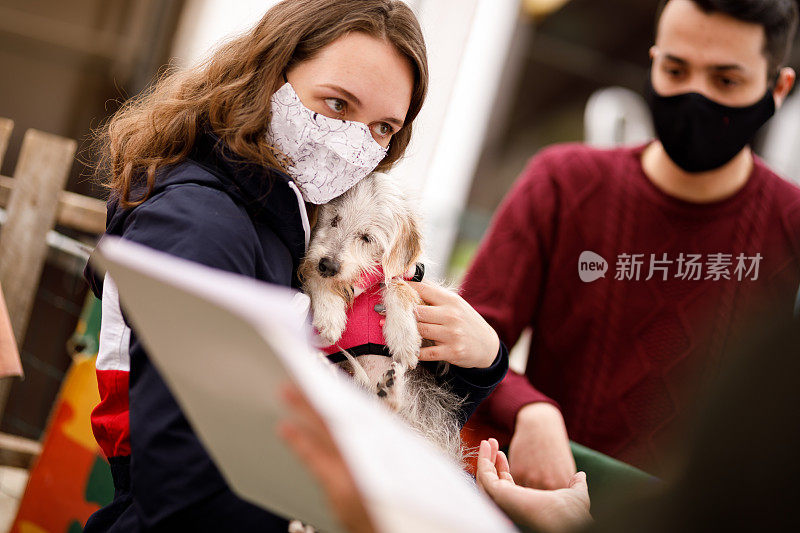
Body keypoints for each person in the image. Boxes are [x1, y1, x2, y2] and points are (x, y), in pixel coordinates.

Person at [82, 1, 505, 530]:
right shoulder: (203, 225)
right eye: (336, 103)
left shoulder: (293, 219)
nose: (353, 142)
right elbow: (186, 478)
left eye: (381, 128)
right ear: (269, 75)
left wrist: (482, 362)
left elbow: (375, 401)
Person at [460, 0, 800, 490]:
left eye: (726, 81)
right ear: (653, 59)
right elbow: (463, 337)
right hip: (540, 502)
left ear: (778, 87)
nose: (695, 97)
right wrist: (530, 409)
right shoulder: (562, 185)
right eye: (676, 69)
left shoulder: (790, 231)